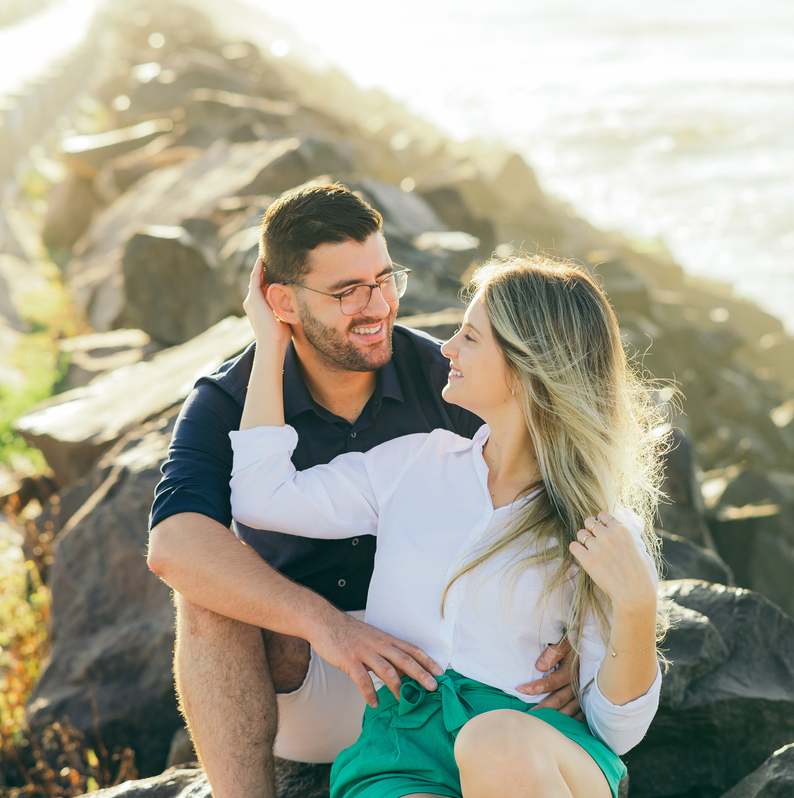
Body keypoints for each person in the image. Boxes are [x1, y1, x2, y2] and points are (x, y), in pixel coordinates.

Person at [146, 184, 581, 798]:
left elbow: (565, 486)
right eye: (346, 291)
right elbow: (174, 546)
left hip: (449, 680)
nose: (377, 305)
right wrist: (326, 625)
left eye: (383, 279)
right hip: (308, 680)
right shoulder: (227, 398)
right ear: (282, 302)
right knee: (206, 596)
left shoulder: (450, 382)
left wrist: (586, 638)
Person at [228, 254, 668, 797]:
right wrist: (271, 345)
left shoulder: (598, 526)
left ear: (526, 366)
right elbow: (262, 497)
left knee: (493, 742)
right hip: (403, 752)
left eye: (470, 337)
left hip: (531, 747)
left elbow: (618, 730)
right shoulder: (414, 464)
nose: (447, 349)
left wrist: (637, 608)